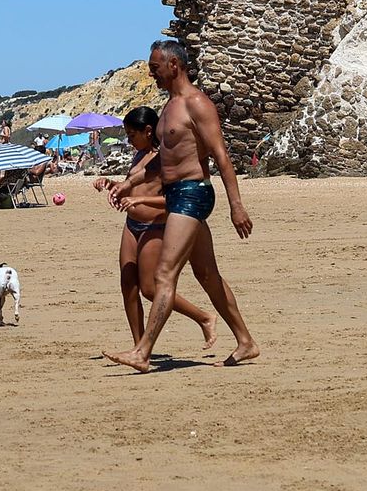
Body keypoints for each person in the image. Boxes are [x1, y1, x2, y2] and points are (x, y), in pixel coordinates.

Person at [103, 39, 259, 371]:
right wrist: (128, 183)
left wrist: (237, 205)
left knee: (164, 274)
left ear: (174, 65)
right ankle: (246, 342)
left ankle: (142, 353)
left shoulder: (196, 104)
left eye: (155, 68)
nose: (151, 74)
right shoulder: (168, 108)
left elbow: (221, 156)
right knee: (207, 275)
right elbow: (162, 160)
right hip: (176, 195)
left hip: (193, 193)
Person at [94, 106, 217, 349]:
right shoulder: (138, 155)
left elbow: (173, 200)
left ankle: (203, 317)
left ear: (148, 131)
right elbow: (134, 187)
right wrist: (112, 184)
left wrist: (140, 200)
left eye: (132, 135)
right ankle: (139, 346)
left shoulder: (164, 160)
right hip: (132, 225)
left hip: (156, 226)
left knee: (150, 289)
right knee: (128, 283)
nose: (129, 141)